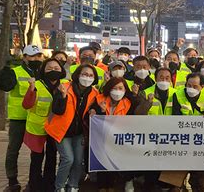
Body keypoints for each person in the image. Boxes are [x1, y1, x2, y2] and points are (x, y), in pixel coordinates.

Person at [45, 64, 100, 192]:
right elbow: (57, 110)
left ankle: (73, 185)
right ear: (77, 75)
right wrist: (62, 97)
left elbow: (95, 109)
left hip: (79, 132)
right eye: (84, 74)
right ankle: (59, 187)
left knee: (78, 160)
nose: (87, 77)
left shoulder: (94, 93)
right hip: (61, 131)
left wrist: (94, 110)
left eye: (91, 75)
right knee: (68, 159)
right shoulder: (65, 87)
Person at [0, 44, 44, 191]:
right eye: (32, 56)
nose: (36, 59)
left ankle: (34, 180)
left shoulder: (43, 72)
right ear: (24, 57)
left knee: (37, 152)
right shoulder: (15, 72)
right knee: (13, 150)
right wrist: (5, 73)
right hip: (19, 118)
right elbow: (5, 86)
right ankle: (12, 181)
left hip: (36, 119)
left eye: (38, 56)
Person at [171, 73, 204, 191]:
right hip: (182, 138)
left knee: (200, 178)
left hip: (202, 140)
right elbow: (175, 116)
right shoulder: (178, 94)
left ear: (202, 86)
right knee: (175, 176)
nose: (191, 88)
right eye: (189, 85)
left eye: (195, 86)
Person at [22, 58, 66, 192]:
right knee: (36, 158)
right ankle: (34, 185)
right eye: (49, 68)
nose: (53, 71)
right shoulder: (37, 85)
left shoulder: (64, 85)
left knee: (52, 157)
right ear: (43, 70)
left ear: (62, 70)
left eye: (56, 68)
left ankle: (49, 184)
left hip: (55, 129)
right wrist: (31, 90)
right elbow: (26, 105)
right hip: (37, 128)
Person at [88, 77, 136, 191]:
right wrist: (98, 111)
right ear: (109, 89)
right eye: (114, 88)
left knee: (112, 162)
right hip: (101, 137)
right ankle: (102, 186)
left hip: (117, 138)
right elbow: (92, 117)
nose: (117, 91)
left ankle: (110, 185)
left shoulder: (128, 103)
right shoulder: (99, 99)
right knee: (102, 161)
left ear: (125, 90)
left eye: (120, 88)